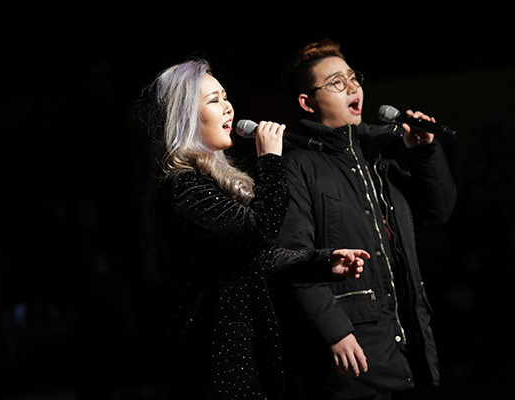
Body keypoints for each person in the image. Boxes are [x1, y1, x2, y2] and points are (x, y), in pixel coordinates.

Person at [139, 58, 371, 400]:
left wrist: (322, 262)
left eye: (226, 97)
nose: (228, 107)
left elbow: (257, 258)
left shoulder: (206, 185)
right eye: (214, 100)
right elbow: (261, 230)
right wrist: (271, 160)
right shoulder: (183, 188)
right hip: (214, 364)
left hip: (240, 358)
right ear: (185, 117)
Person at [274, 39, 457, 399]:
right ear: (307, 102)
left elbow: (436, 211)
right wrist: (336, 331)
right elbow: (292, 257)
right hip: (353, 352)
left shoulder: (381, 157)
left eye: (353, 77)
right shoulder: (296, 166)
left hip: (412, 345)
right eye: (336, 82)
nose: (352, 87)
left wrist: (425, 153)